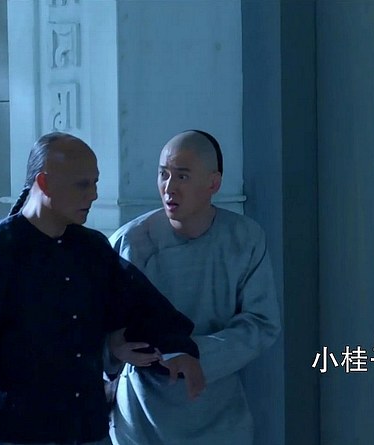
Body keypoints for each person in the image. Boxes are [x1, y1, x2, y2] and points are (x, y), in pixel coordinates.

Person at [0, 132, 205, 445]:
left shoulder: (92, 250)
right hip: (15, 436)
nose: (94, 195)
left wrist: (176, 349)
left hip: (87, 432)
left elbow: (141, 305)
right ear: (44, 183)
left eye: (95, 183)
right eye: (82, 184)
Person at [107, 130, 281, 445]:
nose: (169, 187)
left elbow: (261, 322)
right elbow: (93, 324)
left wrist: (192, 354)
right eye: (163, 174)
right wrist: (113, 348)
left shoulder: (244, 238)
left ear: (213, 183)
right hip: (141, 416)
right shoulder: (128, 241)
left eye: (182, 176)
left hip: (217, 411)